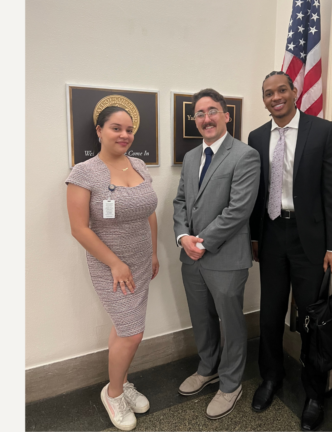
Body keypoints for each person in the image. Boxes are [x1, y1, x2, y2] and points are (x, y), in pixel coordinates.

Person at [247, 71, 332, 431]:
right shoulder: (257, 137)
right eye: (268, 93)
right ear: (264, 100)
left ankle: (315, 393)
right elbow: (257, 192)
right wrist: (254, 236)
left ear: (294, 91)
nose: (275, 97)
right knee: (270, 315)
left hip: (311, 241)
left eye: (281, 90)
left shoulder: (323, 131)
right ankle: (271, 377)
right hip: (272, 235)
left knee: (311, 320)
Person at [65, 106, 159, 431]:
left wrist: (154, 252)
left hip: (141, 261)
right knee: (132, 332)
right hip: (111, 267)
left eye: (129, 129)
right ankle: (113, 394)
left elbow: (149, 211)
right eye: (116, 128)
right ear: (99, 130)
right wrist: (116, 263)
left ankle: (122, 381)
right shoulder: (84, 172)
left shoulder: (139, 165)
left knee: (123, 329)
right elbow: (79, 229)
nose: (124, 135)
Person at [172, 88, 260, 420]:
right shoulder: (191, 157)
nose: (206, 118)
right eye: (200, 113)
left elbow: (239, 211)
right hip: (191, 256)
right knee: (201, 317)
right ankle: (207, 367)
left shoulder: (245, 155)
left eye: (212, 111)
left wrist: (202, 242)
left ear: (226, 115)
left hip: (225, 257)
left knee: (230, 322)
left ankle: (231, 383)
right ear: (195, 119)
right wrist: (183, 237)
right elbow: (181, 201)